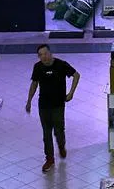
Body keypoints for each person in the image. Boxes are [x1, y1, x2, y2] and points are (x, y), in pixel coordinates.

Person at [25, 44, 80, 172]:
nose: (43, 57)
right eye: (40, 55)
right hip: (43, 105)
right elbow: (34, 84)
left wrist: (71, 93)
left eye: (45, 53)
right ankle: (49, 158)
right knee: (46, 133)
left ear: (50, 53)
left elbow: (76, 75)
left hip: (58, 105)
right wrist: (29, 101)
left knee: (59, 130)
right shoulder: (37, 67)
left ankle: (61, 146)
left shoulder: (61, 65)